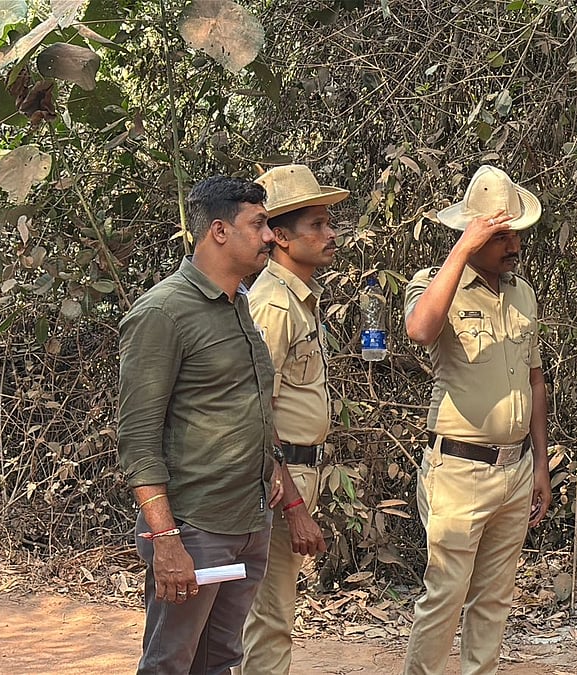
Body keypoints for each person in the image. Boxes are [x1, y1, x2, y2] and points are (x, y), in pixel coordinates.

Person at [117, 176, 283, 674]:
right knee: (170, 661)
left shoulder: (240, 303)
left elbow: (249, 403)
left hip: (249, 518)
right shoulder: (163, 312)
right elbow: (138, 439)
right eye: (258, 224)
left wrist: (273, 470)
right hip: (195, 527)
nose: (269, 236)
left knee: (219, 659)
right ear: (219, 231)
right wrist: (166, 540)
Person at [401, 165, 552, 675]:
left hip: (515, 470)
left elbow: (535, 380)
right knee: (445, 596)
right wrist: (461, 250)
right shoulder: (433, 283)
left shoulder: (522, 293)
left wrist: (540, 466)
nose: (514, 246)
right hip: (458, 471)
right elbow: (420, 330)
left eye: (517, 235)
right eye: (501, 236)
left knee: (494, 600)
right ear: (474, 233)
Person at [241, 164, 348, 673]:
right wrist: (294, 504)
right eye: (317, 225)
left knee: (272, 612)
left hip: (298, 471)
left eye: (329, 223)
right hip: (280, 479)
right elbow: (257, 413)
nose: (330, 234)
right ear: (280, 237)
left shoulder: (299, 300)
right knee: (270, 617)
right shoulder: (275, 307)